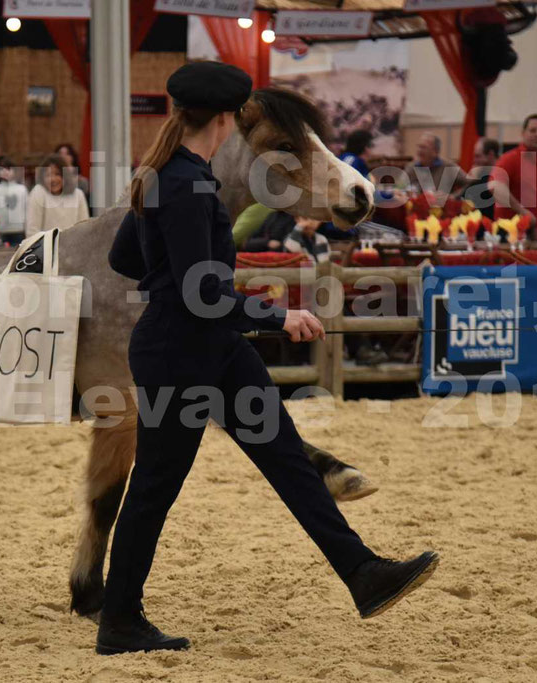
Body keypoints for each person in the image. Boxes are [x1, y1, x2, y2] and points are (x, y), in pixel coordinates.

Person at [101, 60, 439, 655]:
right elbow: (200, 292)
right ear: (230, 119)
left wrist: (186, 280)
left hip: (215, 348)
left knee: (288, 458)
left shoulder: (167, 174)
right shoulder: (186, 185)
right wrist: (276, 314)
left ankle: (362, 572)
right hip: (179, 356)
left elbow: (128, 258)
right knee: (155, 487)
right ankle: (120, 619)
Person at [490, 114, 537, 240]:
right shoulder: (510, 159)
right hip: (510, 233)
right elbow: (494, 187)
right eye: (532, 130)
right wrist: (523, 212)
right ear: (523, 133)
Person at [25, 154, 89, 237]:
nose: (52, 179)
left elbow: (84, 228)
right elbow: (32, 231)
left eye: (57, 174)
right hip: (45, 247)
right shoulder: (38, 192)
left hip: (73, 246)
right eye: (48, 175)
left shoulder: (78, 195)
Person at [403, 133, 468, 198]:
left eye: (423, 147)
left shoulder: (448, 166)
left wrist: (453, 196)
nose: (419, 150)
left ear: (435, 152)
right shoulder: (411, 167)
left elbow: (469, 184)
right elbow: (399, 188)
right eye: (419, 146)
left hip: (442, 206)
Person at [0, 157, 29, 246]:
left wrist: (28, 232)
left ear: (15, 171)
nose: (5, 171)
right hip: (1, 232)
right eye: (2, 169)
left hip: (19, 231)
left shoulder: (22, 189)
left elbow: (27, 211)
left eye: (9, 169)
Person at [463, 137, 501, 220]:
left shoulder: (501, 173)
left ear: (490, 155)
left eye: (478, 156)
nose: (474, 160)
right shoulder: (480, 173)